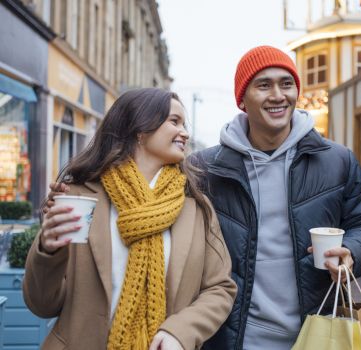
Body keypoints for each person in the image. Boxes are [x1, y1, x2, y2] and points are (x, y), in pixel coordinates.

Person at [192, 46, 361, 349]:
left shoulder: (338, 160)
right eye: (263, 85)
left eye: (286, 83)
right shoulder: (205, 169)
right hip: (236, 337)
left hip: (320, 333)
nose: (278, 95)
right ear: (242, 99)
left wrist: (352, 252)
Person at [24, 88, 237, 350]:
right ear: (140, 128)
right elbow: (42, 304)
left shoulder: (197, 208)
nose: (185, 132)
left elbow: (220, 288)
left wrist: (181, 332)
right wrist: (48, 250)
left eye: (184, 124)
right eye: (174, 121)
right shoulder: (79, 197)